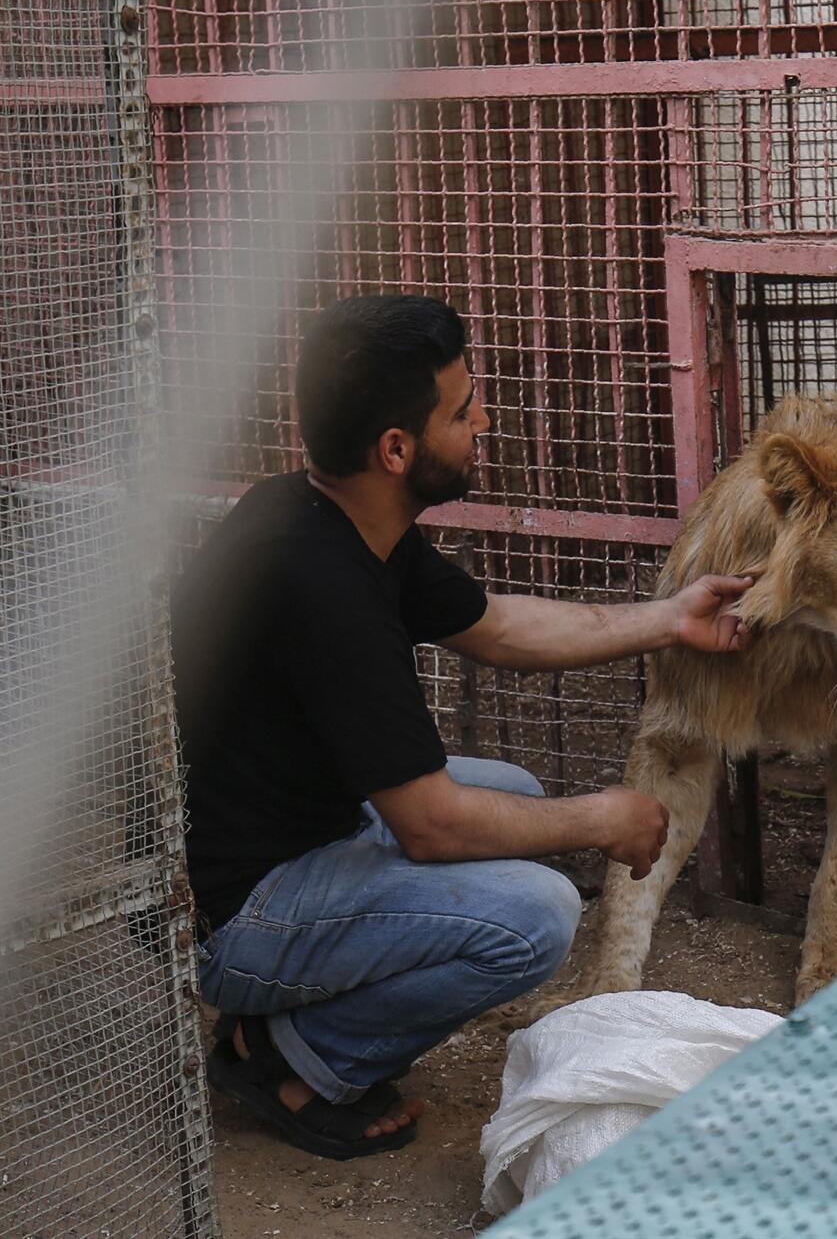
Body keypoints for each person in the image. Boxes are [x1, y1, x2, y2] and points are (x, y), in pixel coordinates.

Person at [171, 294, 753, 1160]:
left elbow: (500, 628)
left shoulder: (326, 513)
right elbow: (433, 825)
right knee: (536, 913)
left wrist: (672, 619)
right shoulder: (326, 593)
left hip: (282, 835)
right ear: (397, 450)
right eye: (462, 408)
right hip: (232, 919)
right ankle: (292, 1058)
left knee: (513, 799)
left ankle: (287, 1025)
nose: (485, 417)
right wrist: (604, 817)